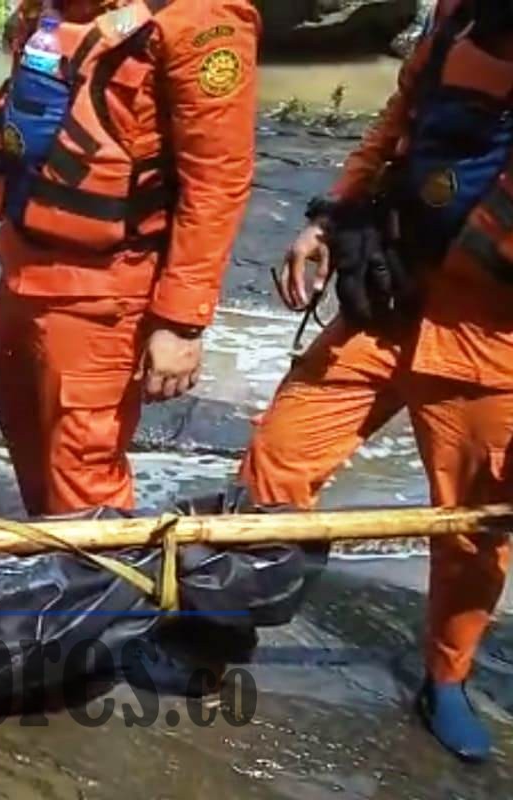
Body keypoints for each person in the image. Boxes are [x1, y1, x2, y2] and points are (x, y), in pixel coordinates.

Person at [239, 0, 513, 763]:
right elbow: (398, 118)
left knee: (475, 529)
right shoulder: (457, 20)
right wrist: (328, 220)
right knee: (276, 459)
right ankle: (226, 617)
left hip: (493, 342)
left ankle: (446, 677)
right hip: (391, 297)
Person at [0, 0, 260, 515]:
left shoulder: (199, 18)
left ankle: (100, 584)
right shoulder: (49, 8)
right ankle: (55, 573)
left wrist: (182, 321)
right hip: (23, 267)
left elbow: (216, 182)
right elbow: (21, 113)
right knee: (22, 426)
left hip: (105, 291)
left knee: (83, 473)